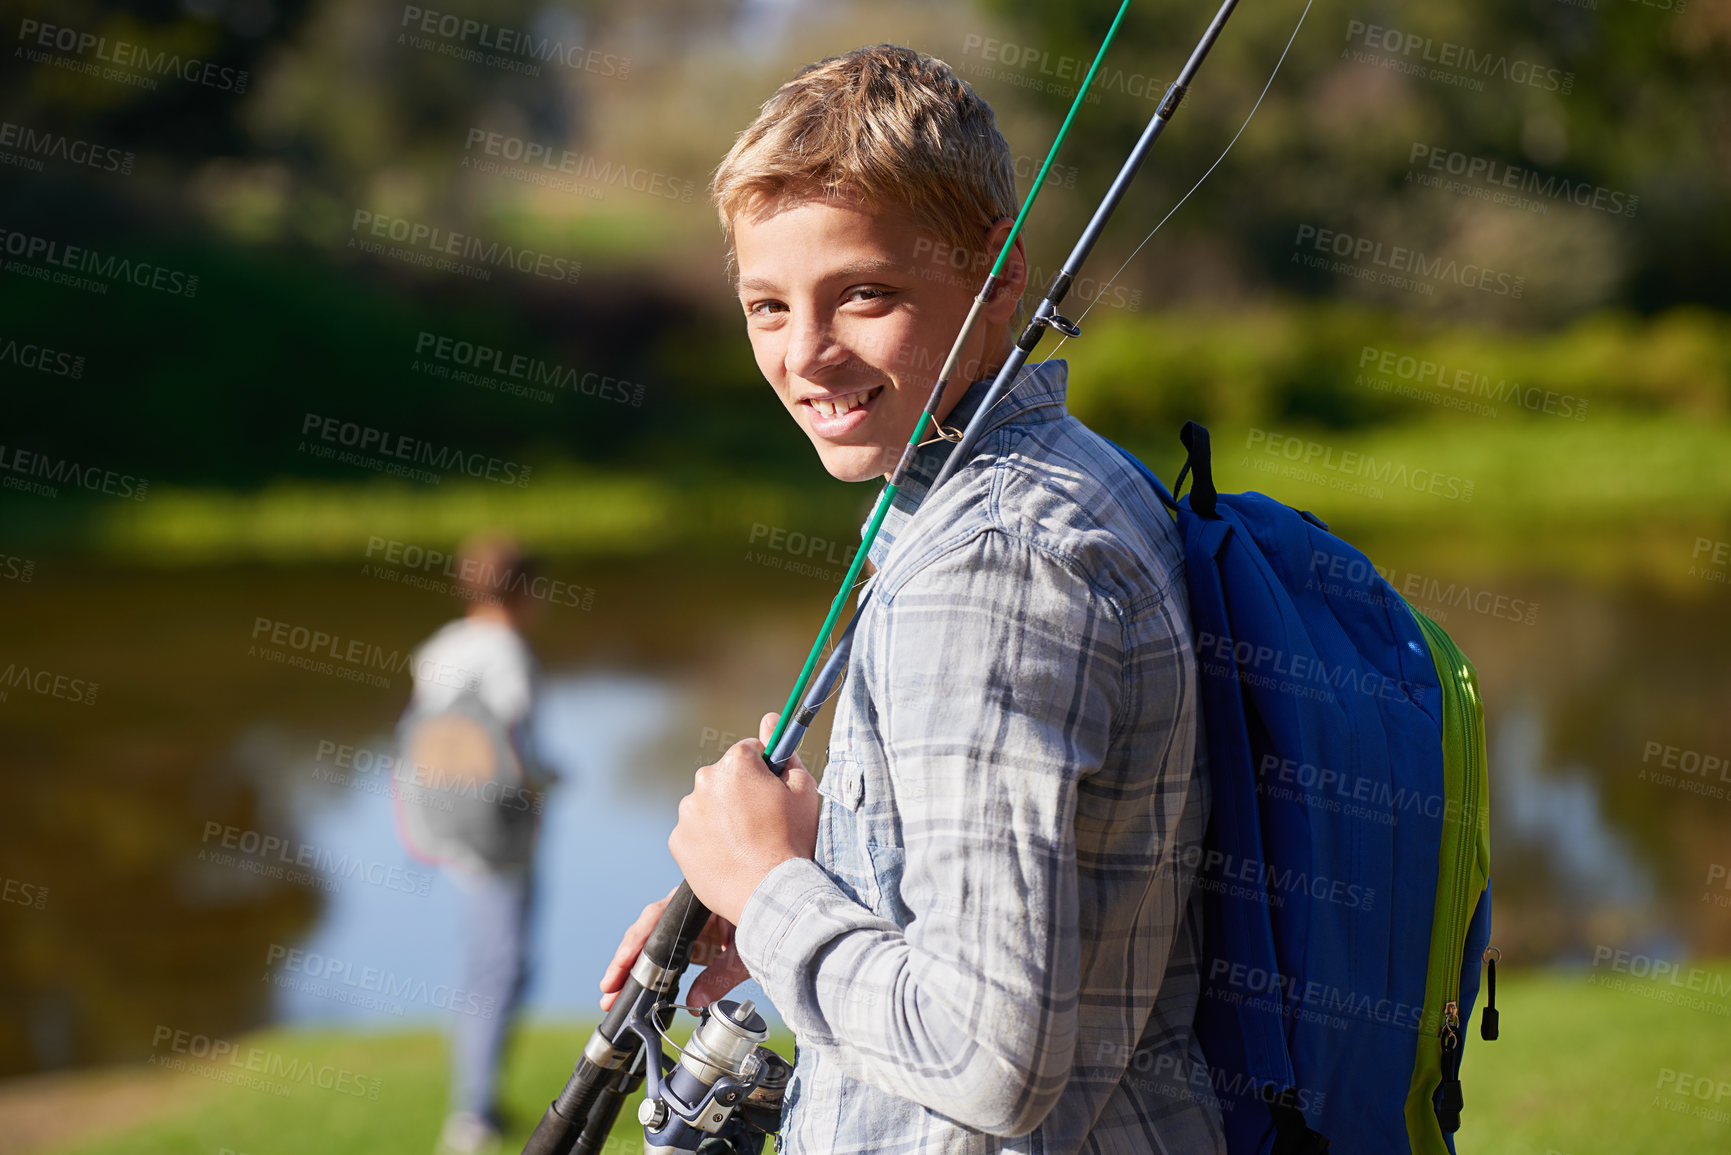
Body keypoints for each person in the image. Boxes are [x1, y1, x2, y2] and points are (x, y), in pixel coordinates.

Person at [601, 44, 1224, 1153]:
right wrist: (807, 890)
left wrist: (770, 879)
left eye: (865, 295)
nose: (808, 356)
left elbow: (989, 1059)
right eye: (766, 306)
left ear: (1001, 274)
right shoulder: (1072, 478)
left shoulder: (988, 566)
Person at [398, 533, 551, 1155]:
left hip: (448, 821)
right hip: (499, 828)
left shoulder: (439, 648)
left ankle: (477, 1097)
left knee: (479, 958)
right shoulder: (508, 651)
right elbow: (514, 746)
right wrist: (549, 779)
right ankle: (472, 1113)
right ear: (525, 590)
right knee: (502, 962)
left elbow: (427, 737)